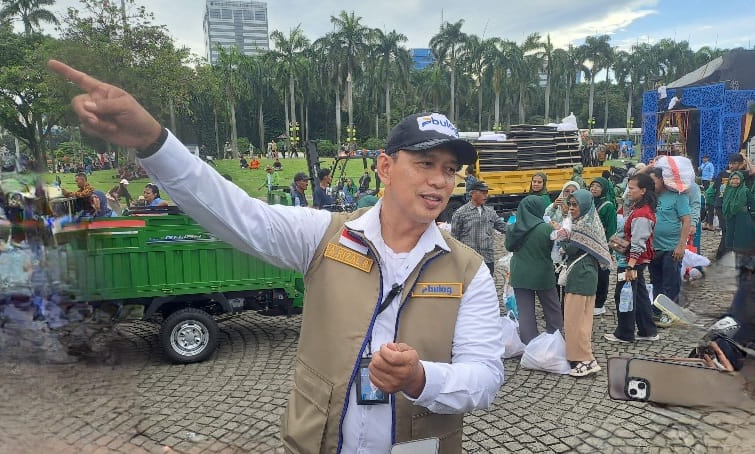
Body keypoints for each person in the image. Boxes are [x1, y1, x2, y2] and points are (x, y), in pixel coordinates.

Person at [48, 59, 506, 452]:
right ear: (385, 167)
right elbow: (236, 212)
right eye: (425, 164)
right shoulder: (324, 237)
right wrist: (152, 140)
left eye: (450, 170)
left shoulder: (468, 271)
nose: (440, 181)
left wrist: (420, 378)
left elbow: (485, 378)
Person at [553, 189, 613, 377]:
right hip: (587, 275)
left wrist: (561, 234)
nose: (571, 208)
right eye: (569, 204)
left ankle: (585, 360)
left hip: (580, 277)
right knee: (583, 320)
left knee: (575, 321)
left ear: (585, 205)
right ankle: (584, 358)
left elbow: (569, 250)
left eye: (575, 205)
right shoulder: (589, 222)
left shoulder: (581, 226)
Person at [604, 173, 660, 343]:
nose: (628, 191)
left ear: (643, 190)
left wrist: (630, 266)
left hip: (634, 262)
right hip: (638, 261)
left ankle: (625, 333)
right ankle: (647, 330)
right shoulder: (639, 208)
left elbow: (638, 243)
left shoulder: (642, 213)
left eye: (632, 188)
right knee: (641, 296)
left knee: (624, 295)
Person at [505, 195, 563, 345]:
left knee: (525, 312)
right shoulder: (546, 228)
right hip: (542, 273)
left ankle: (530, 344)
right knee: (552, 309)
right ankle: (555, 340)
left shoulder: (513, 227)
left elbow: (508, 247)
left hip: (520, 273)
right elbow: (555, 250)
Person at [645, 167, 692, 312]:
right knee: (656, 282)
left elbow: (686, 221)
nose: (651, 185)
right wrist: (647, 168)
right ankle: (658, 311)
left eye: (653, 181)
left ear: (662, 179)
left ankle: (671, 312)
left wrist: (681, 246)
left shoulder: (678, 196)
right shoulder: (650, 197)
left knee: (670, 284)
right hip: (653, 248)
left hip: (671, 248)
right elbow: (633, 182)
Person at [721, 172, 755, 345]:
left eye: (737, 179)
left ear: (741, 181)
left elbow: (753, 205)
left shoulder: (745, 191)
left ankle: (745, 276)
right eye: (732, 179)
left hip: (743, 224)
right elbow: (724, 205)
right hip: (732, 223)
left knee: (743, 251)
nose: (734, 181)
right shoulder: (728, 192)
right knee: (733, 249)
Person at [451, 181, 507, 275]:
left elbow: (503, 227)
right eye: (482, 193)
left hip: (487, 258)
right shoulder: (460, 213)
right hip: (469, 260)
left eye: (486, 193)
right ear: (472, 194)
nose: (485, 196)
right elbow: (454, 238)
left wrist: (521, 231)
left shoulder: (490, 213)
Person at [590, 177, 617, 316]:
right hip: (589, 244)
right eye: (592, 185)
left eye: (598, 186)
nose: (594, 188)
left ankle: (600, 303)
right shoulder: (589, 203)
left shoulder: (608, 206)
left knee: (602, 274)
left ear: (604, 189)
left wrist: (608, 248)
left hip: (602, 245)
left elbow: (612, 229)